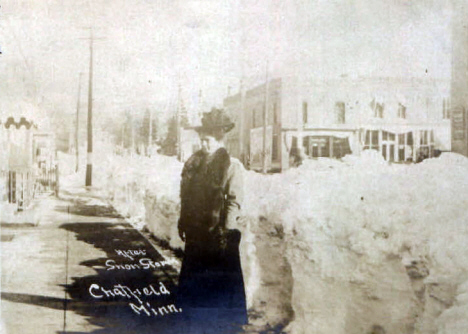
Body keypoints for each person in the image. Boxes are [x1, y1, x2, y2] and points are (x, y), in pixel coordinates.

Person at [177, 108, 247, 334]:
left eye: (207, 141)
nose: (203, 145)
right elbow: (187, 195)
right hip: (198, 233)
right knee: (196, 284)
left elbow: (234, 201)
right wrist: (183, 220)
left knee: (218, 286)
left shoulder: (231, 166)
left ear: (218, 140)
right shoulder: (195, 164)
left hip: (218, 235)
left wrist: (226, 231)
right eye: (201, 140)